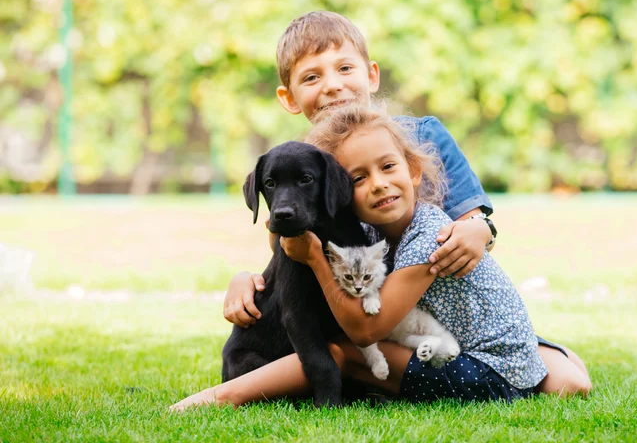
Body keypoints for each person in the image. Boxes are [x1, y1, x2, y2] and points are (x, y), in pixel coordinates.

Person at [222, 10, 591, 397]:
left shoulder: (420, 135)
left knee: (571, 383)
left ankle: (539, 351)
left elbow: (475, 220)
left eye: (345, 68)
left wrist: (479, 228)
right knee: (349, 349)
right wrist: (246, 279)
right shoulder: (306, 164)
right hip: (374, 314)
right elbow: (290, 252)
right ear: (289, 97)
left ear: (371, 75)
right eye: (312, 77)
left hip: (444, 311)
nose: (332, 86)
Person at [169, 106, 590, 411]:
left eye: (388, 167)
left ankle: (220, 396)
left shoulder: (431, 234)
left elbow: (367, 327)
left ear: (414, 173)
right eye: (359, 178)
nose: (379, 185)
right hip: (453, 348)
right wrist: (247, 275)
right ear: (340, 192)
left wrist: (316, 257)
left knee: (343, 349)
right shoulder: (369, 234)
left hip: (485, 371)